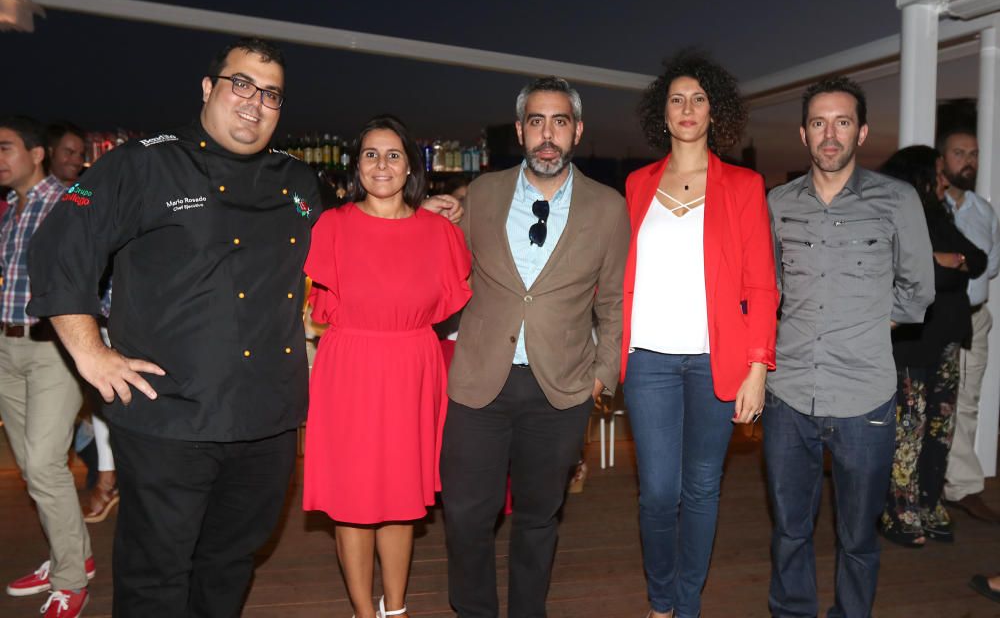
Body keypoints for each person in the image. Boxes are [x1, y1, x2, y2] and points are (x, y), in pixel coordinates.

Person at [27, 37, 460, 617]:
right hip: (168, 415)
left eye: (272, 94)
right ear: (208, 89)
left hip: (265, 421)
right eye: (242, 85)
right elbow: (62, 246)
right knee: (156, 571)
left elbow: (361, 234)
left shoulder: (298, 184)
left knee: (231, 561)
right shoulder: (144, 162)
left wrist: (422, 213)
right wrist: (90, 352)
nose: (255, 102)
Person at [441, 76, 630, 618]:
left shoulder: (608, 207)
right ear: (521, 129)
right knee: (466, 513)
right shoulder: (481, 194)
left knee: (538, 517)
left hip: (561, 389)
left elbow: (613, 301)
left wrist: (603, 374)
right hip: (481, 381)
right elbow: (448, 265)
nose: (549, 135)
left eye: (561, 122)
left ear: (578, 131)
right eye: (538, 122)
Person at [766, 76, 935, 617]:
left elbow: (919, 290)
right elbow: (766, 287)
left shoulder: (897, 199)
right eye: (819, 123)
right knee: (790, 530)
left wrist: (867, 324)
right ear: (803, 133)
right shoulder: (777, 204)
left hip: (865, 398)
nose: (830, 134)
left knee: (858, 538)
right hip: (788, 395)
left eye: (842, 122)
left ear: (861, 132)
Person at [622, 50, 778, 618]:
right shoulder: (637, 185)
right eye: (676, 100)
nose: (687, 109)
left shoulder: (743, 185)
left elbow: (762, 286)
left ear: (715, 112)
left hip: (720, 361)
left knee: (703, 489)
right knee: (658, 492)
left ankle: (684, 606)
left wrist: (757, 368)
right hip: (649, 363)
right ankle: (660, 599)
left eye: (699, 99)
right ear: (662, 115)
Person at [303, 115, 471, 618]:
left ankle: (394, 609)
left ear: (411, 167)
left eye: (393, 154)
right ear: (357, 166)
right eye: (371, 154)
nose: (382, 164)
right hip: (349, 370)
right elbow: (321, 307)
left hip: (412, 369)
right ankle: (362, 611)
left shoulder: (440, 231)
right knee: (353, 502)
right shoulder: (331, 226)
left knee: (402, 498)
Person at [0, 116, 94, 618]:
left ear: (36, 154)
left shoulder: (67, 203)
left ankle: (71, 579)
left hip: (53, 349)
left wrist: (93, 338)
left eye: (5, 147)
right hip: (7, 348)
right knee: (35, 469)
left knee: (42, 464)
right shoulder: (11, 210)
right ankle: (70, 553)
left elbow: (98, 269)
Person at [877, 145, 986, 547]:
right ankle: (899, 510)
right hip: (912, 341)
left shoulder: (940, 214)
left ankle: (928, 501)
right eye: (937, 173)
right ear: (917, 175)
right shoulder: (895, 213)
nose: (943, 180)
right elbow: (913, 276)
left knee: (940, 429)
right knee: (909, 428)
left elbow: (976, 259)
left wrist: (945, 261)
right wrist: (940, 265)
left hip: (948, 339)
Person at [938, 128, 1000, 524]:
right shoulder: (927, 206)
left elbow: (990, 266)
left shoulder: (984, 211)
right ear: (942, 160)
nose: (969, 161)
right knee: (928, 404)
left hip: (975, 320)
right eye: (959, 153)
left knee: (968, 404)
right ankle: (944, 484)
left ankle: (959, 486)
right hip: (937, 321)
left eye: (973, 154)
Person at [45, 121, 87, 186]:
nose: (77, 162)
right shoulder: (33, 191)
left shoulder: (89, 190)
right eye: (69, 152)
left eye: (81, 155)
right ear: (50, 152)